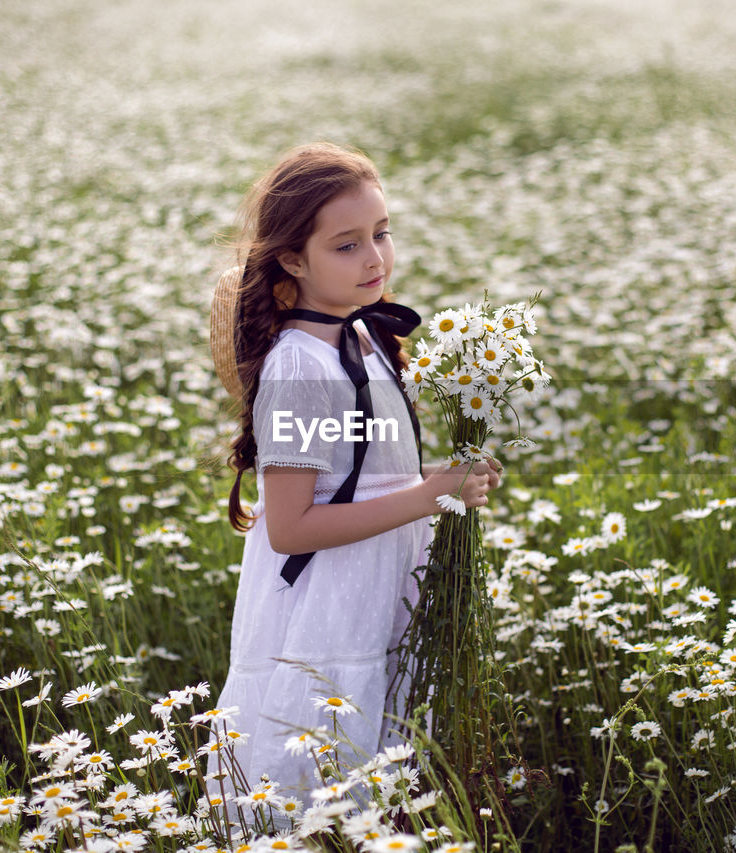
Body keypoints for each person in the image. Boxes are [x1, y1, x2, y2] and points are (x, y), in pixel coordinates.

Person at [203, 142, 501, 822]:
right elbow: (294, 524)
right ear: (291, 259)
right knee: (324, 769)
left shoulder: (362, 339)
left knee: (381, 759)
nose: (375, 258)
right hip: (328, 602)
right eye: (346, 245)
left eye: (382, 232)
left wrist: (440, 476)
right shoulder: (303, 369)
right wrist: (428, 496)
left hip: (377, 582)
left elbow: (362, 476)